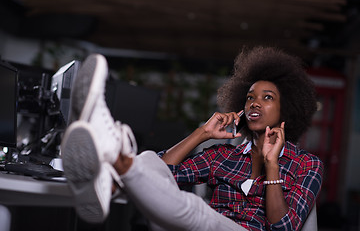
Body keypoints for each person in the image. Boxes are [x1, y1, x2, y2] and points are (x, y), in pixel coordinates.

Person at [61, 47, 323, 231]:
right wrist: (203, 134)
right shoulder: (224, 155)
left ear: (286, 108)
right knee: (151, 161)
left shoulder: (306, 165)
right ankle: (113, 168)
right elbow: (162, 172)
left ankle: (113, 163)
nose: (255, 102)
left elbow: (283, 228)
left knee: (198, 210)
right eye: (250, 97)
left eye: (267, 97)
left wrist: (272, 164)